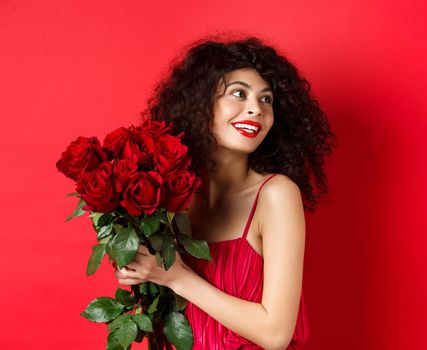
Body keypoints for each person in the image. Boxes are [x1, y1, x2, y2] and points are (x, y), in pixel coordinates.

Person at [114, 35, 335, 349]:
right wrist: (136, 270)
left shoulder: (276, 195)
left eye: (266, 99)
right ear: (201, 103)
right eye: (239, 94)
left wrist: (176, 276)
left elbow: (276, 334)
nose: (255, 109)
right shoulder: (170, 199)